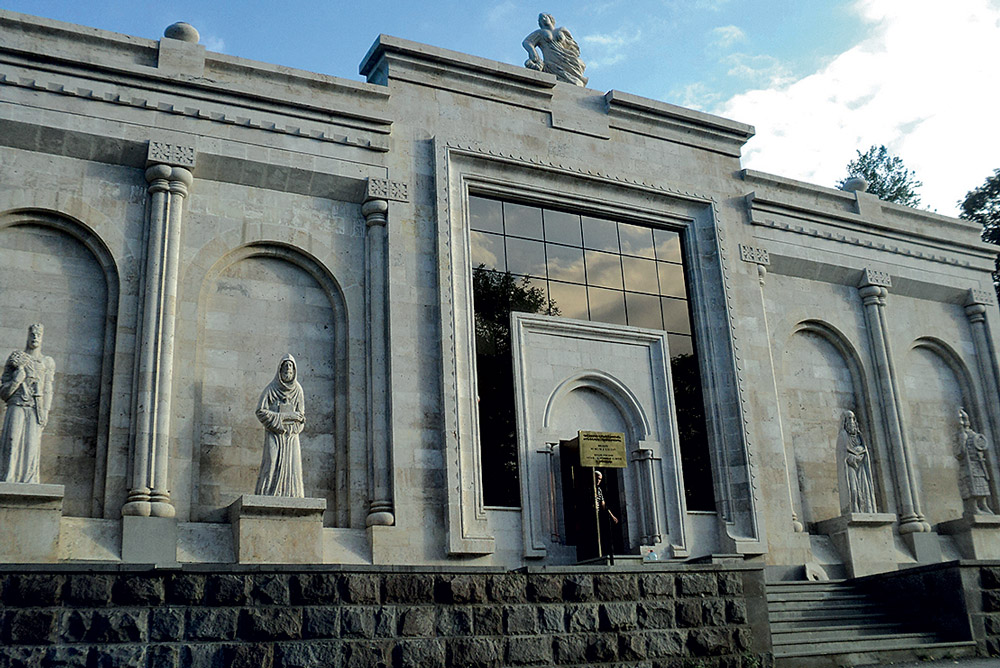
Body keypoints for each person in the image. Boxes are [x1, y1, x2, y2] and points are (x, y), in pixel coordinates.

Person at [0, 323, 55, 484]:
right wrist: (17, 380)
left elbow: (47, 389)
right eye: (32, 334)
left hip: (35, 407)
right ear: (27, 335)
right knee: (12, 440)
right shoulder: (16, 358)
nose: (35, 337)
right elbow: (3, 392)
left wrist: (45, 411)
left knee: (32, 445)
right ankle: (8, 475)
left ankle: (29, 479)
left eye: (38, 334)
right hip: (16, 405)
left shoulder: (46, 362)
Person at [254, 354, 306, 497]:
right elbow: (260, 411)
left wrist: (296, 425)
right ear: (280, 369)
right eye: (286, 366)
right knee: (271, 463)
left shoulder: (298, 390)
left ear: (294, 370)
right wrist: (284, 417)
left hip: (291, 436)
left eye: (291, 366)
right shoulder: (271, 389)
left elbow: (301, 416)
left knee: (293, 466)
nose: (288, 368)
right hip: (274, 434)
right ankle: (267, 494)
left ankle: (292, 494)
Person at [522, 13, 588, 86]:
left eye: (544, 17)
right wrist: (533, 52)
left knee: (576, 81)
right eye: (540, 19)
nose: (543, 19)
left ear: (550, 18)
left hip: (567, 59)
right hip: (552, 62)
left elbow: (573, 45)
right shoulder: (540, 33)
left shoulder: (562, 29)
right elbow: (527, 42)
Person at [836, 410, 877, 514]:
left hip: (861, 466)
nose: (851, 421)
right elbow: (842, 454)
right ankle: (854, 510)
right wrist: (852, 457)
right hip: (850, 466)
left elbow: (865, 451)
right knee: (853, 490)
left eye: (853, 418)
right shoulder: (843, 436)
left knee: (865, 490)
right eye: (849, 418)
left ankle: (867, 511)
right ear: (845, 421)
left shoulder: (859, 437)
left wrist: (861, 454)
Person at [956, 408, 992, 515]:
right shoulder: (959, 436)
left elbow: (981, 445)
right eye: (962, 420)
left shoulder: (974, 434)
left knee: (982, 485)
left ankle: (983, 505)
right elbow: (959, 453)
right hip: (967, 465)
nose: (965, 422)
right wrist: (962, 441)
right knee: (970, 486)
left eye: (966, 419)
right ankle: (973, 507)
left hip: (978, 463)